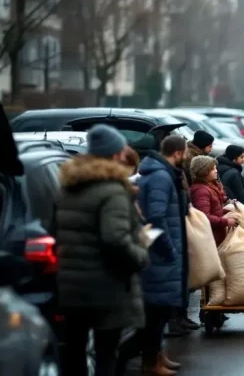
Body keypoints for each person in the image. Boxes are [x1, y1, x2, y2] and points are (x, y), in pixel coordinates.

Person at [55, 125, 150, 376]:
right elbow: (115, 239)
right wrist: (140, 256)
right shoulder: (113, 190)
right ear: (116, 154)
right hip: (106, 287)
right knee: (106, 354)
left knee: (74, 353)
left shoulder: (68, 187)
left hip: (70, 286)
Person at [136, 135, 188, 375]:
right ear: (177, 153)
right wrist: (168, 248)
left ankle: (158, 355)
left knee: (161, 310)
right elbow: (156, 217)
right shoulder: (160, 176)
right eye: (185, 152)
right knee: (156, 312)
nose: (186, 156)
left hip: (164, 251)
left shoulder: (163, 173)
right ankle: (150, 362)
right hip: (161, 254)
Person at [189, 156, 237, 245]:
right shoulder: (201, 190)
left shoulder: (209, 186)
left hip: (216, 235)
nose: (216, 171)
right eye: (212, 169)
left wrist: (226, 210)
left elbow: (214, 211)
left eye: (215, 168)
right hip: (211, 237)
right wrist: (226, 221)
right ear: (204, 171)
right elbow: (204, 217)